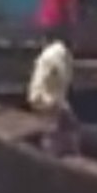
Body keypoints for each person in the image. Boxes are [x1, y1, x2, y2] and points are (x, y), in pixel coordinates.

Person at [27, 24, 78, 156]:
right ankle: (55, 153)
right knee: (62, 124)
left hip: (40, 95)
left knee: (55, 123)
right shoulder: (59, 53)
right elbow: (64, 76)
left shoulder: (50, 52)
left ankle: (55, 150)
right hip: (46, 97)